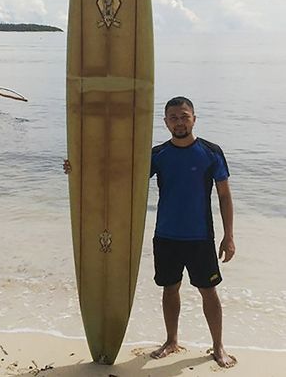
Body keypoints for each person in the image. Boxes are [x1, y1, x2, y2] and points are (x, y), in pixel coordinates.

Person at [63, 96, 237, 368]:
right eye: (174, 118)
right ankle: (171, 340)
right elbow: (119, 177)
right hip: (166, 235)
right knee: (170, 288)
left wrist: (229, 236)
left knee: (209, 291)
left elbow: (224, 195)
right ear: (165, 122)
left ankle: (218, 346)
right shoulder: (157, 155)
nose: (179, 122)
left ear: (194, 118)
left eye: (184, 116)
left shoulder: (211, 152)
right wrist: (78, 169)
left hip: (200, 236)